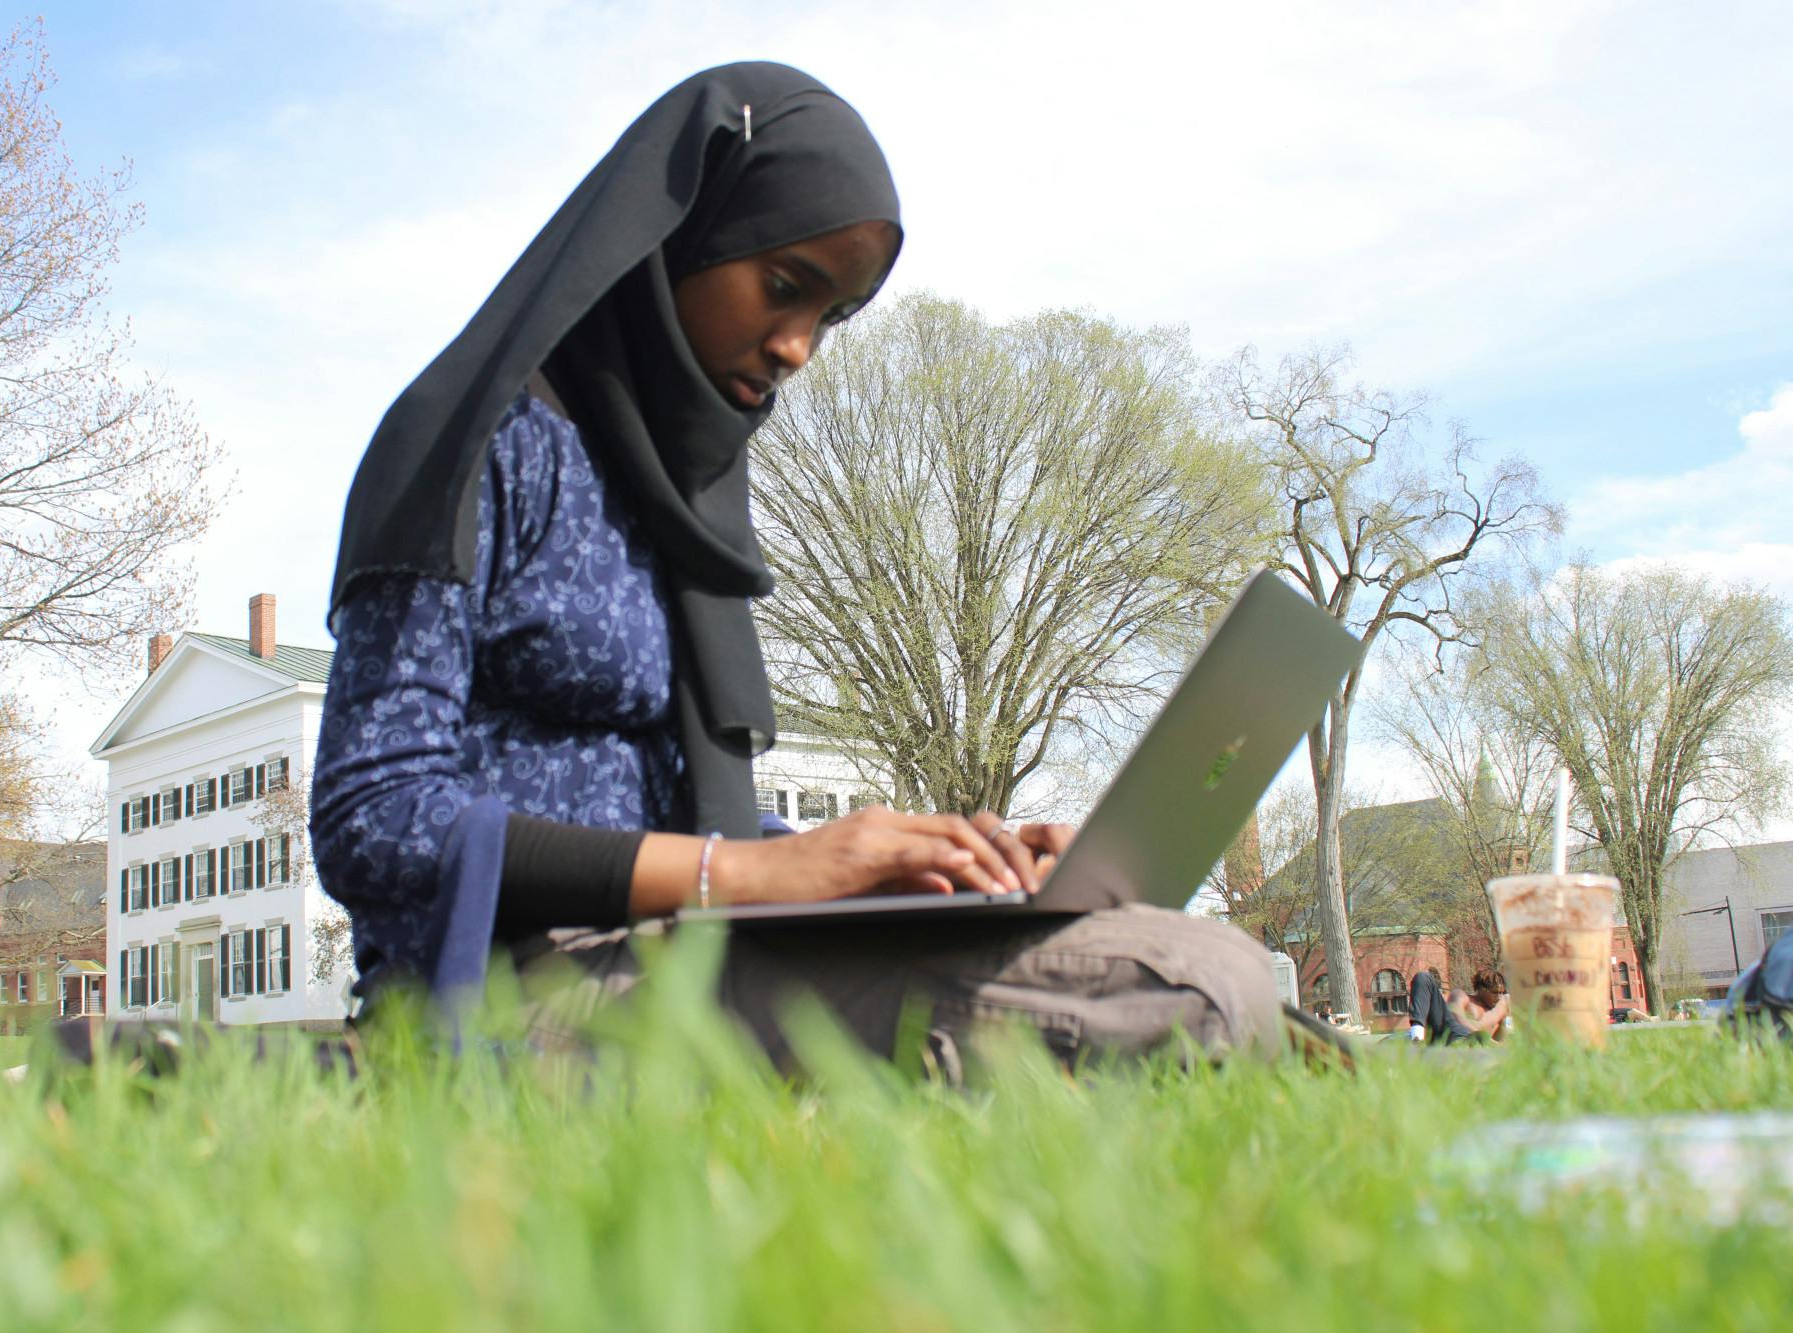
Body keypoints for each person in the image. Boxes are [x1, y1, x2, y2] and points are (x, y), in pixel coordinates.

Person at [310, 62, 1281, 1079]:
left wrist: (916, 865)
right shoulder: (467, 443)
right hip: (511, 990)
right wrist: (747, 871)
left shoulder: (676, 488)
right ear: (680, 238)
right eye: (784, 288)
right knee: (1175, 993)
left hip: (681, 947)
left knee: (1198, 960)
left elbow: (688, 823)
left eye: (832, 315)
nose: (797, 349)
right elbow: (372, 818)